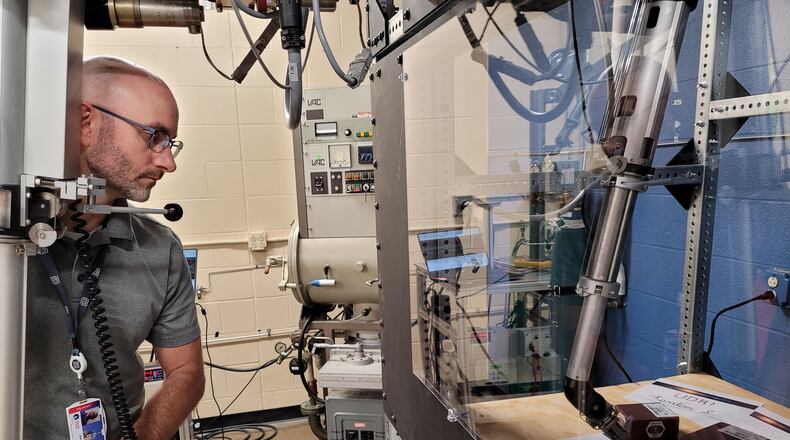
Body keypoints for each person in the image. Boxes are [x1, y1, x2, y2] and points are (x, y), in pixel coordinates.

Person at [24, 56, 204, 439]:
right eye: (153, 136)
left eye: (171, 143)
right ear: (85, 122)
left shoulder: (160, 249)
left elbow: (187, 373)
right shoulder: (11, 245)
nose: (168, 162)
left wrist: (146, 433)